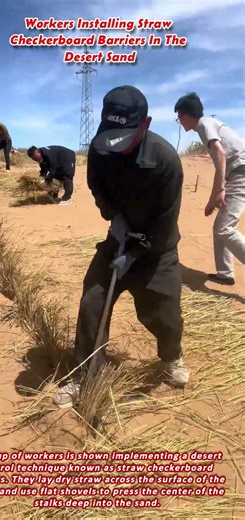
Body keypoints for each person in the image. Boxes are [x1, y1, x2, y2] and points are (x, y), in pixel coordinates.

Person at [53, 85, 190, 408]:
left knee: (162, 313)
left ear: (146, 124)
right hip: (118, 239)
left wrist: (136, 252)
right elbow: (95, 184)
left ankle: (171, 357)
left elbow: (165, 221)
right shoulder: (101, 150)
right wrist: (114, 216)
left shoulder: (166, 161)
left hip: (158, 248)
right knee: (93, 302)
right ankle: (86, 374)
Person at [174, 93, 245, 285]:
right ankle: (225, 273)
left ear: (186, 115)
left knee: (225, 229)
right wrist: (213, 198)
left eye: (179, 117)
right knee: (219, 228)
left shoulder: (204, 125)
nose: (179, 122)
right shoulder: (205, 125)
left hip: (240, 172)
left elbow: (221, 155)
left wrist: (220, 190)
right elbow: (219, 163)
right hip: (235, 173)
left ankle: (226, 273)